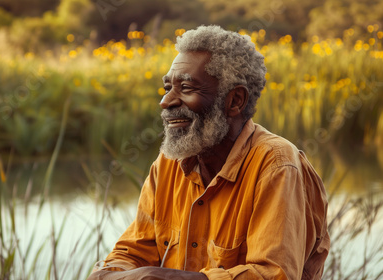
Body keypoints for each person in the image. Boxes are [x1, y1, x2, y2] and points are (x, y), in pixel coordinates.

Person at [87, 25, 330, 280]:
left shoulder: (276, 164)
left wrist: (167, 278)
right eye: (168, 87)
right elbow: (132, 253)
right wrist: (109, 274)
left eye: (187, 88)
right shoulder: (169, 163)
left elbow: (272, 274)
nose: (166, 101)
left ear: (235, 101)